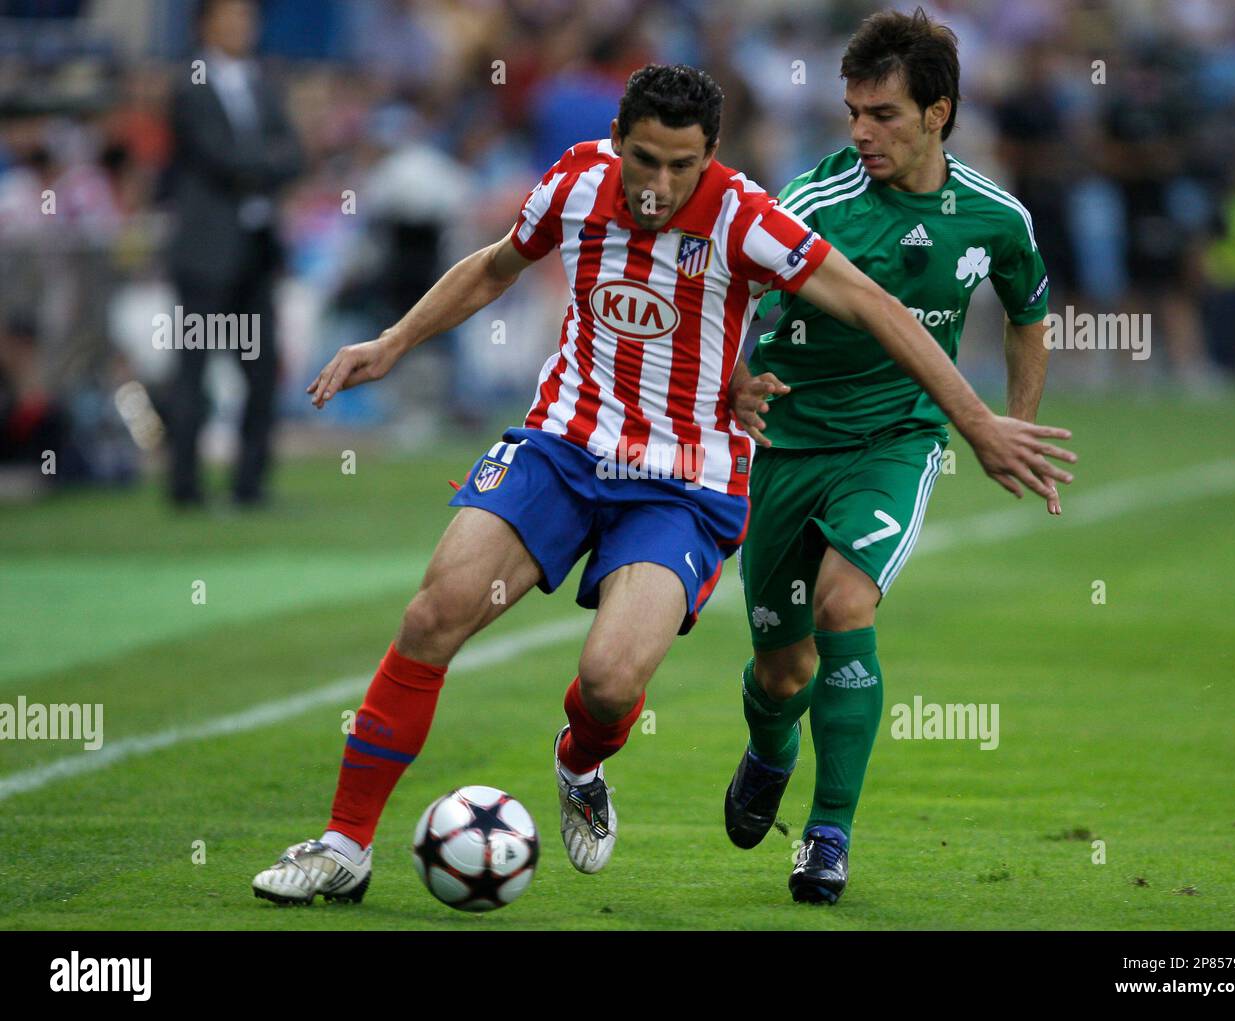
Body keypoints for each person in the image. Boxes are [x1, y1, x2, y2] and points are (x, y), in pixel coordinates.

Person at [250, 63, 1074, 905]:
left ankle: (579, 759)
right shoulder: (573, 181)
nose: (661, 185)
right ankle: (344, 843)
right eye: (645, 160)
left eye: (683, 166)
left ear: (711, 154)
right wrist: (391, 342)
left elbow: (876, 308)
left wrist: (979, 423)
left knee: (611, 681)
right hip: (562, 447)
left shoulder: (746, 215)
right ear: (618, 142)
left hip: (682, 482)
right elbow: (497, 265)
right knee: (434, 613)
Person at [722, 8, 1065, 905]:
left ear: (938, 113)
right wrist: (733, 382)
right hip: (786, 444)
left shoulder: (993, 216)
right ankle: (769, 745)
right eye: (853, 114)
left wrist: (1013, 425)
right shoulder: (811, 205)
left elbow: (1028, 310)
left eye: (883, 114)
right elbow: (722, 292)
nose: (863, 131)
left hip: (898, 439)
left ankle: (828, 834)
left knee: (845, 605)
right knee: (781, 669)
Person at [164, 0, 302, 507]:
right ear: (205, 24)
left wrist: (261, 165)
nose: (242, 27)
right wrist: (267, 164)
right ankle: (184, 487)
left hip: (255, 248)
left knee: (262, 369)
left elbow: (294, 153)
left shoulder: (263, 81)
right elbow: (216, 155)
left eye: (247, 18)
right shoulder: (189, 83)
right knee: (194, 370)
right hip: (205, 251)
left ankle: (250, 484)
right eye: (230, 18)